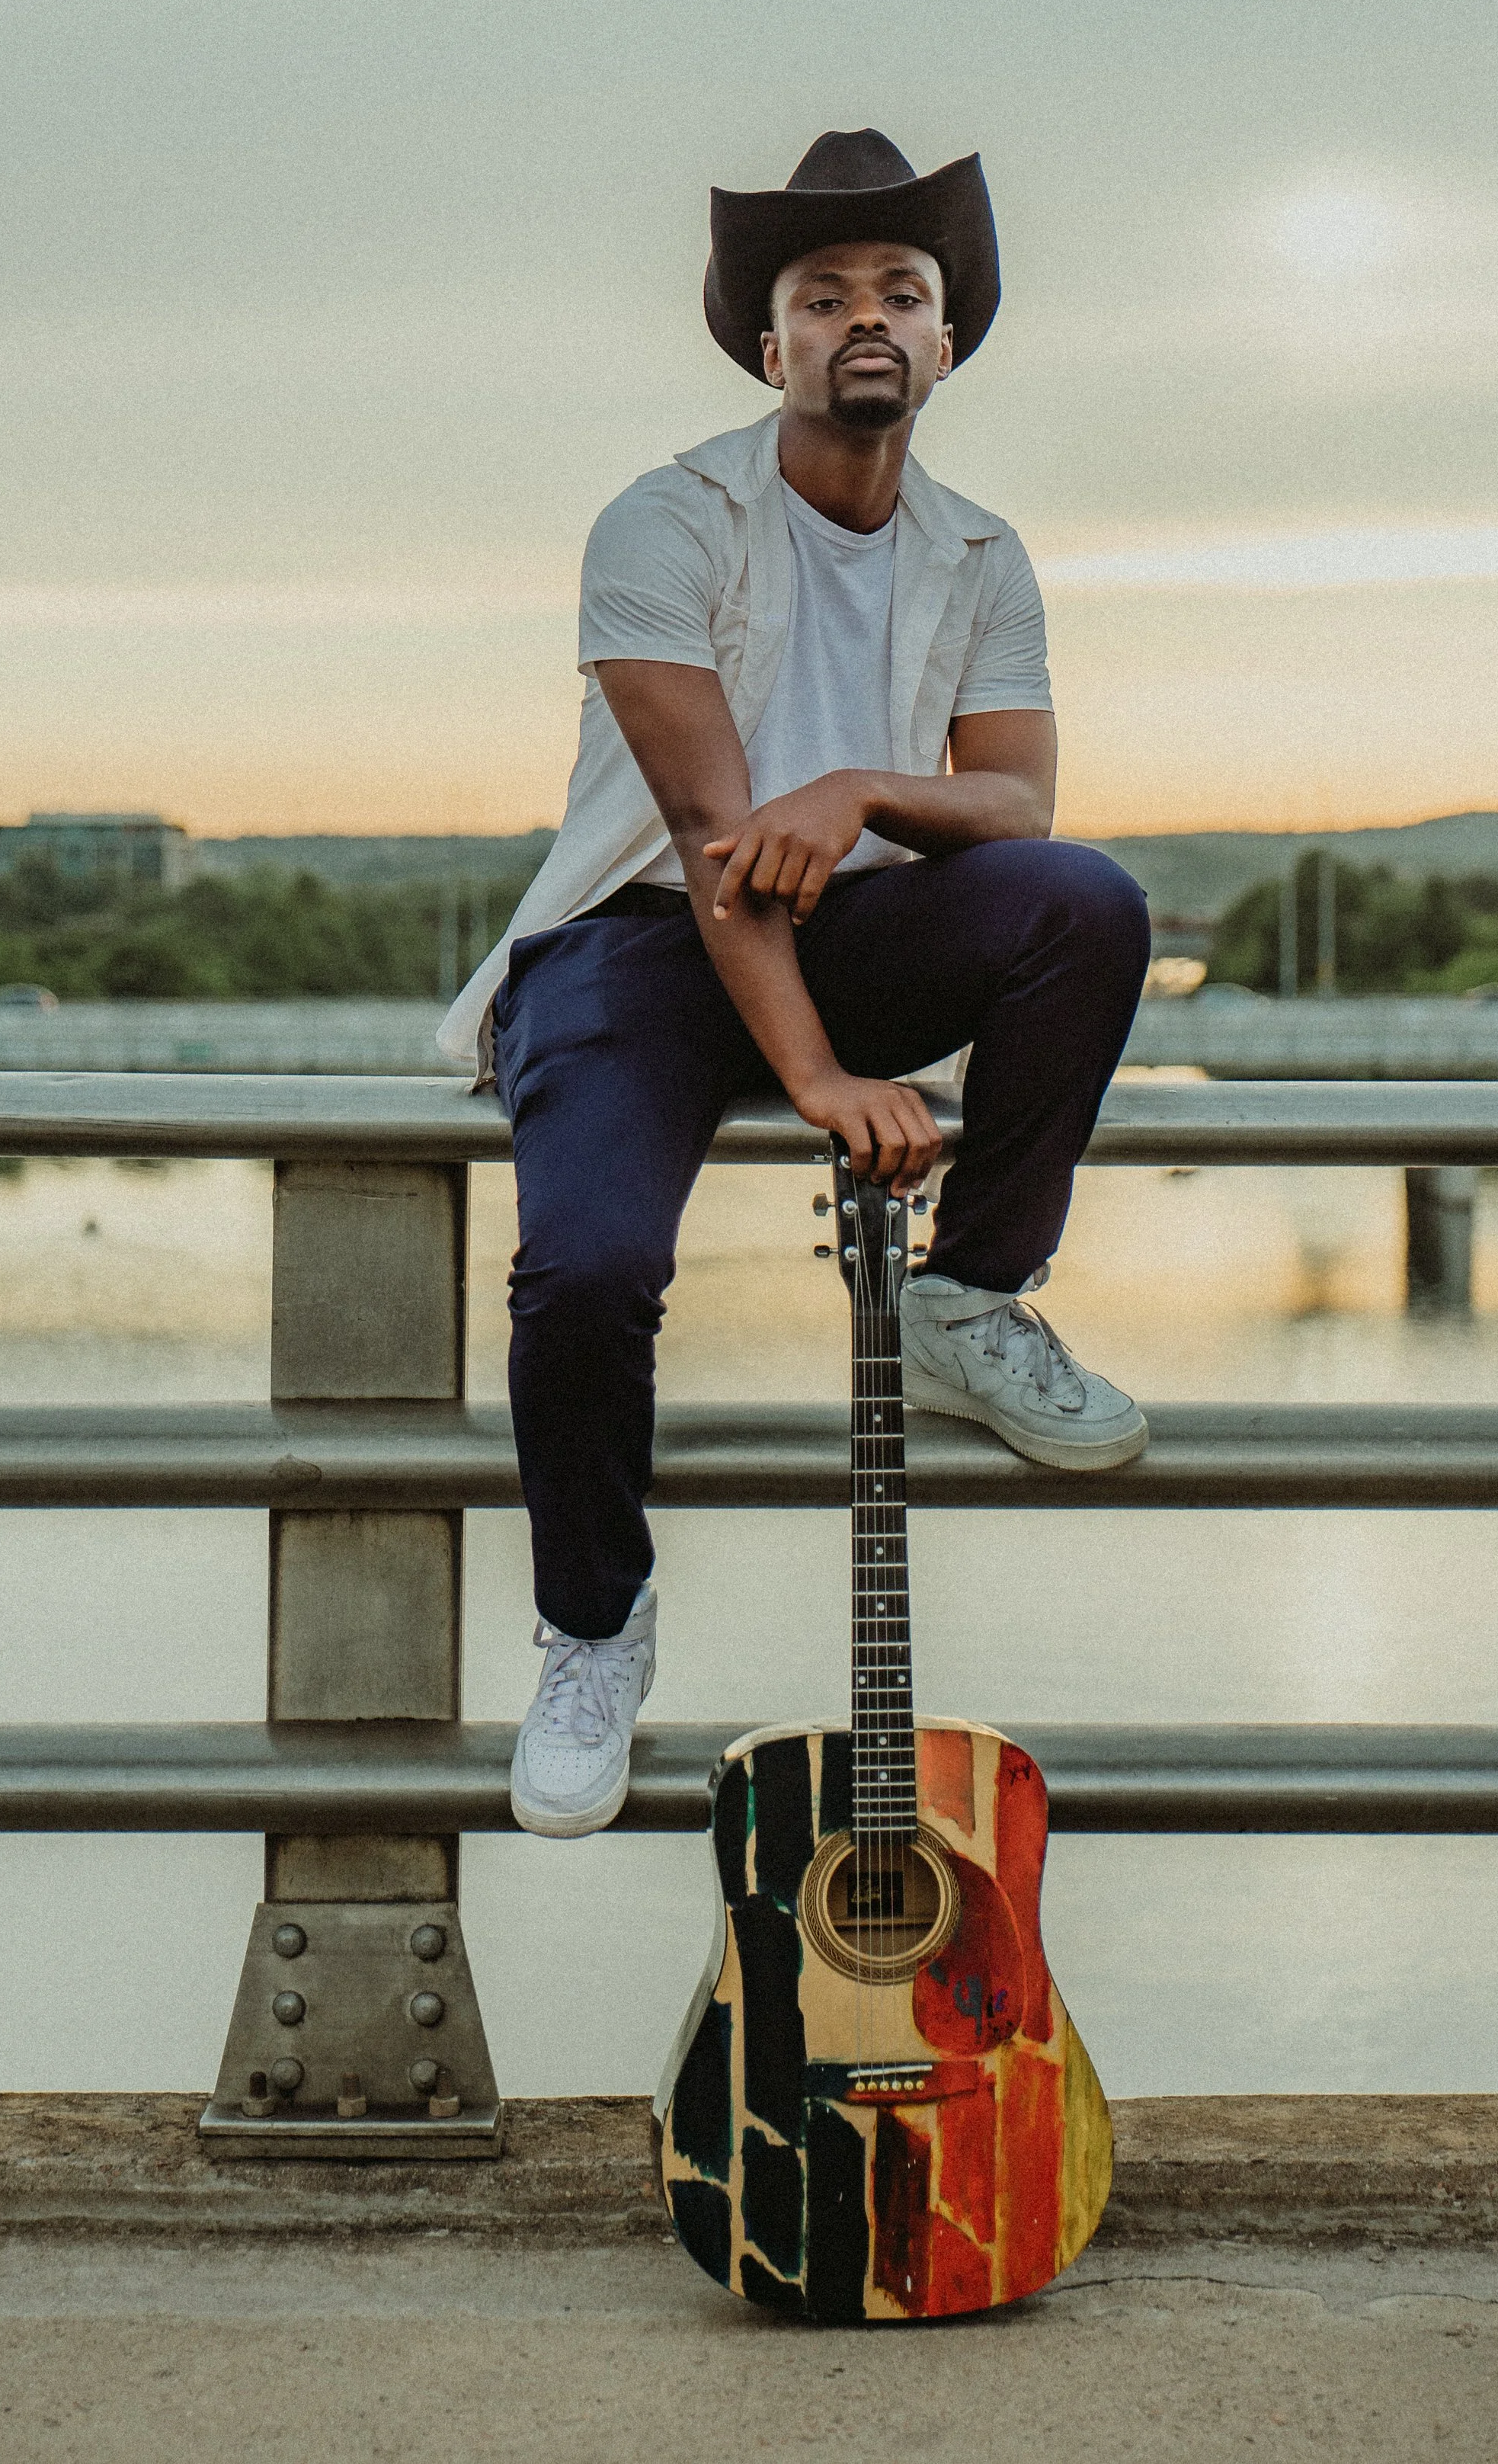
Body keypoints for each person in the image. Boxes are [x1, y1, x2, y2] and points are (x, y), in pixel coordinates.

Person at [438, 130, 1152, 1837]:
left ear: (944, 344)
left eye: (899, 293)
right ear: (767, 349)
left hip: (849, 914)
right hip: (631, 950)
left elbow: (1013, 804)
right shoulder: (663, 522)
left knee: (1083, 903)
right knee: (589, 1273)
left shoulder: (981, 557)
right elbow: (704, 839)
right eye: (820, 296)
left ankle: (970, 1301)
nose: (863, 320)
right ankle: (593, 1626)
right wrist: (823, 1082)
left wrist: (854, 793)